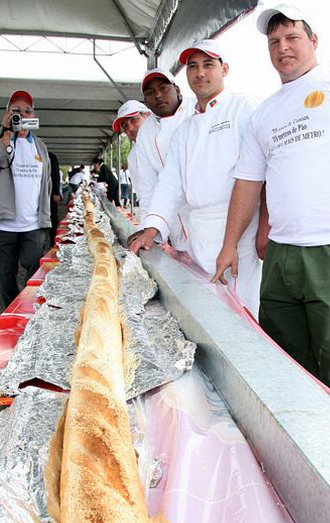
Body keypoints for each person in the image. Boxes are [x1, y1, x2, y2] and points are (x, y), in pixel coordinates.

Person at [212, 4, 330, 406]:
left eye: (292, 37)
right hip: (283, 257)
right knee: (284, 361)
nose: (283, 48)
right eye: (274, 42)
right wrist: (230, 244)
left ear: (313, 41)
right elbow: (248, 182)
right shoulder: (265, 112)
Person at [129, 40, 263, 316]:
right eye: (193, 67)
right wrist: (152, 228)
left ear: (224, 69)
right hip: (199, 234)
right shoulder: (185, 130)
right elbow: (169, 184)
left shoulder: (243, 108)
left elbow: (263, 173)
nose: (200, 73)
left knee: (243, 312)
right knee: (211, 310)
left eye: (208, 65)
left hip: (239, 232)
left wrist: (262, 229)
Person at [0, 89, 51, 307]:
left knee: (34, 270)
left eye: (27, 110)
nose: (23, 114)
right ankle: (12, 313)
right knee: (5, 275)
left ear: (33, 115)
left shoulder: (40, 146)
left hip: (32, 223)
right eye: (16, 110)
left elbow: (45, 183)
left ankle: (30, 311)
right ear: (7, 114)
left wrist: (46, 219)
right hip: (2, 223)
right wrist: (5, 133)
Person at [133, 67, 197, 251]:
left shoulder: (196, 111)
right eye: (150, 93)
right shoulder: (146, 131)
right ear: (145, 101)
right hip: (173, 221)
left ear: (176, 89)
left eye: (163, 88)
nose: (158, 95)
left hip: (207, 220)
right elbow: (148, 187)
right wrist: (149, 229)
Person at [111, 99, 150, 208]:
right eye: (125, 126)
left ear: (147, 115)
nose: (130, 128)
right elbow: (144, 196)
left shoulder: (171, 139)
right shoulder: (133, 158)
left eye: (133, 120)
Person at [48, 150, 61, 242]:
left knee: (52, 215)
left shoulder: (51, 156)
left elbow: (56, 175)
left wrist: (56, 192)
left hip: (50, 192)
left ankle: (53, 239)